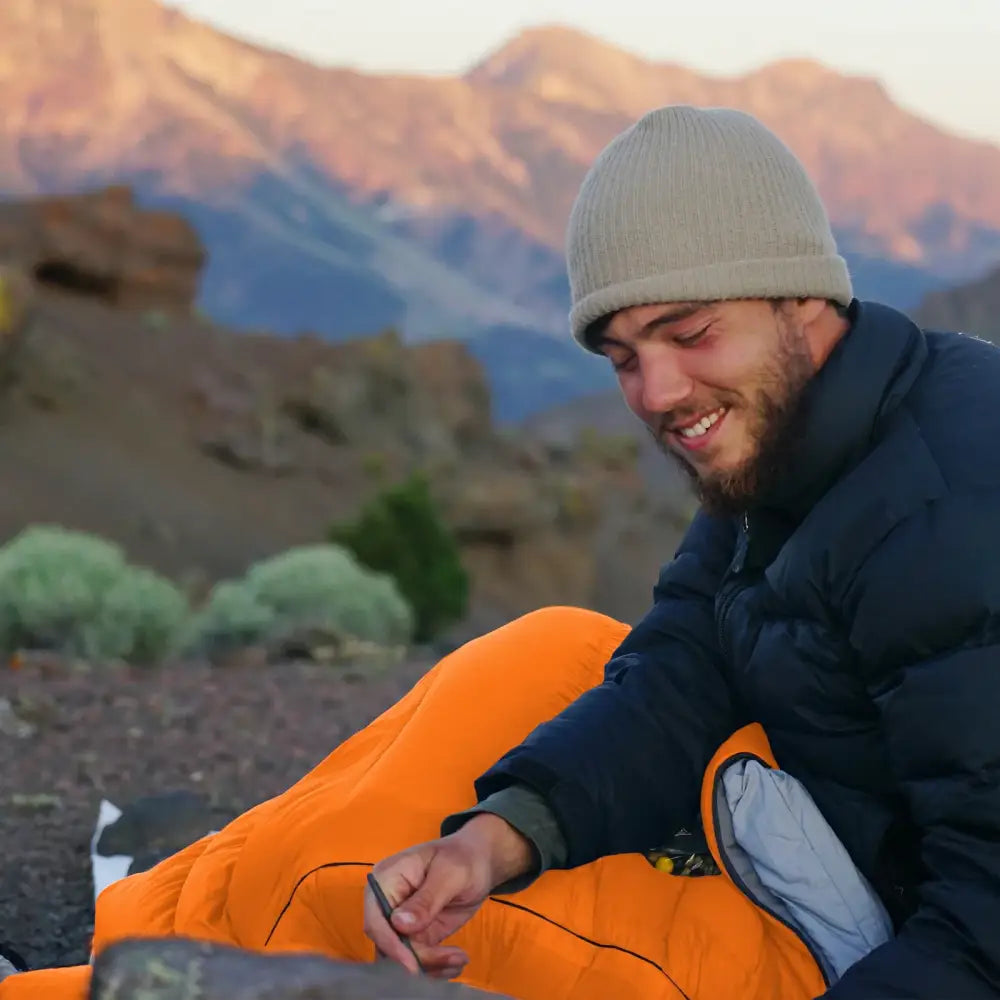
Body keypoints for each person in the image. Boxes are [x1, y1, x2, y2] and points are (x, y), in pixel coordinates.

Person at [4, 106, 1000, 1000]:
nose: (656, 392)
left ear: (798, 295)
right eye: (622, 358)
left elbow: (983, 930)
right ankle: (147, 927)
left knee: (363, 881)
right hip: (792, 817)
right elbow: (686, 663)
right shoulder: (799, 433)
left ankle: (105, 982)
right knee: (541, 658)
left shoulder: (947, 515)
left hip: (842, 947)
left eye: (687, 333)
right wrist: (498, 838)